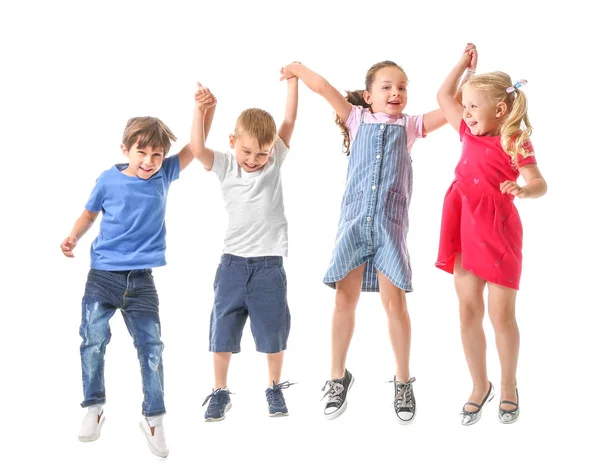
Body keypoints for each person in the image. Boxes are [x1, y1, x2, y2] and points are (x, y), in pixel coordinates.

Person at [280, 61, 446, 423]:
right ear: (369, 96)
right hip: (354, 224)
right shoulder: (356, 119)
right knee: (344, 300)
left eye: (402, 87)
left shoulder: (412, 126)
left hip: (389, 227)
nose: (396, 93)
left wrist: (464, 70)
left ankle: (403, 381)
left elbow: (452, 108)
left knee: (395, 304)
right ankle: (338, 376)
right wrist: (296, 68)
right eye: (387, 87)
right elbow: (323, 87)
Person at [61, 107, 214, 457]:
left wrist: (206, 109)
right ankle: (93, 408)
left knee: (152, 348)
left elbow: (195, 144)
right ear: (125, 150)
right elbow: (89, 214)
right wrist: (73, 237)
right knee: (93, 339)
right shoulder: (107, 180)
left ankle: (154, 418)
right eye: (141, 153)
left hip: (142, 281)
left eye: (156, 154)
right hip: (102, 276)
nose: (149, 161)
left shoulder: (165, 174)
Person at [435, 44, 547, 425]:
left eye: (472, 107)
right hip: (464, 224)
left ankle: (508, 384)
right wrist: (463, 66)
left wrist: (524, 190)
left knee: (502, 315)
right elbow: (442, 96)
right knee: (468, 309)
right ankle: (479, 384)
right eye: (464, 106)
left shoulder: (515, 141)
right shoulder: (467, 130)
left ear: (499, 110)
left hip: (498, 231)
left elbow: (539, 182)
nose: (465, 113)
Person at [191, 77, 298, 421]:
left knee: (273, 332)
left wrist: (293, 83)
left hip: (269, 265)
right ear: (233, 142)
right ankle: (220, 391)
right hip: (233, 266)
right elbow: (196, 148)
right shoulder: (225, 164)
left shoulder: (275, 160)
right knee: (222, 331)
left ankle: (274, 387)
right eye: (247, 151)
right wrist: (199, 109)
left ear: (273, 149)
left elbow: (290, 121)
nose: (254, 160)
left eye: (262, 153)